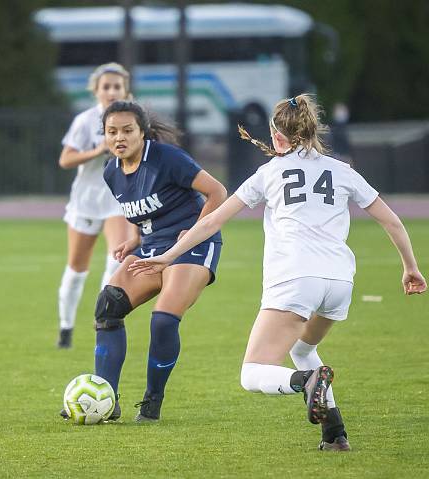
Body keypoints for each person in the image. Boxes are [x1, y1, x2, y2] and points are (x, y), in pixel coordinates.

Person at [128, 94, 426, 448]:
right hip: (340, 283)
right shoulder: (342, 170)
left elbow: (211, 221)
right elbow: (392, 222)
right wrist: (411, 267)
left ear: (278, 137)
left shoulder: (268, 174)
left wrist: (169, 255)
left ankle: (305, 382)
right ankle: (335, 434)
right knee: (302, 348)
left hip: (295, 279)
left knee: (252, 374)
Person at [62, 100, 227, 422]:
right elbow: (142, 209)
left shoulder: (167, 158)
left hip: (191, 246)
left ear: (143, 133)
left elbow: (218, 193)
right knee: (108, 308)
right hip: (152, 247)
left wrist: (193, 233)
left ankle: (152, 401)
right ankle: (106, 400)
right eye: (111, 132)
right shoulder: (112, 171)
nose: (119, 138)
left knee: (163, 320)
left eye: (127, 130)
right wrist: (135, 240)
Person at [55, 63, 135, 348]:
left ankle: (103, 320)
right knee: (77, 268)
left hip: (118, 200)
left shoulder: (135, 120)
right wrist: (98, 150)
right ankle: (65, 328)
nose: (112, 91)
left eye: (117, 86)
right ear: (97, 91)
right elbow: (65, 160)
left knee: (116, 260)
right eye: (106, 86)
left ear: (126, 89)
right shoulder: (85, 121)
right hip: (87, 201)